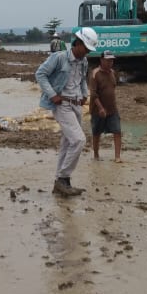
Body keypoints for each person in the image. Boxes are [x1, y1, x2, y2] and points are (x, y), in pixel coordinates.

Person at [35, 27, 98, 197]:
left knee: (67, 143)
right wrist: (52, 94)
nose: (86, 53)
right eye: (85, 48)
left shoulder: (83, 62)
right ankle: (63, 178)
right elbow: (40, 74)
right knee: (79, 140)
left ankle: (61, 183)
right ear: (77, 43)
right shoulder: (59, 58)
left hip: (76, 105)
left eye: (89, 50)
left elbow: (82, 80)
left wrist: (85, 94)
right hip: (62, 104)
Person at [89, 51, 122, 160]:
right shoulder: (95, 74)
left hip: (112, 108)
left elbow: (113, 89)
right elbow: (93, 94)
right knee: (96, 133)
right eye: (108, 60)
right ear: (101, 60)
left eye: (111, 60)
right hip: (98, 110)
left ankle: (117, 157)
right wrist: (100, 108)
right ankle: (96, 155)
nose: (110, 63)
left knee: (117, 131)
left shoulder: (112, 72)